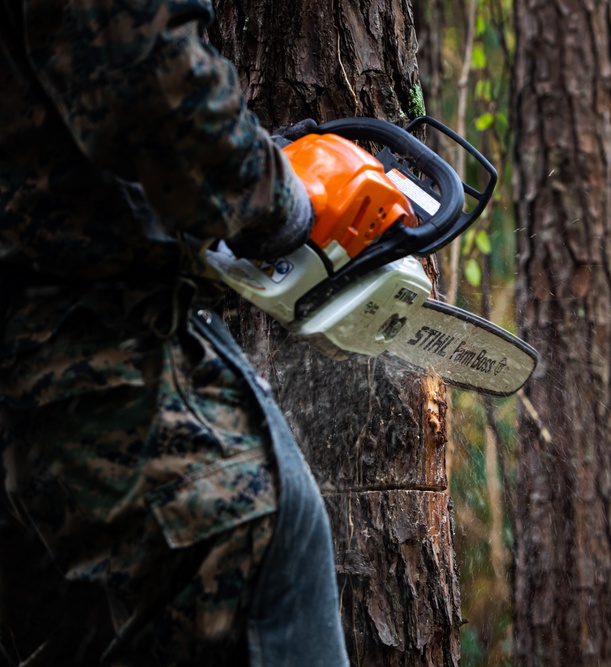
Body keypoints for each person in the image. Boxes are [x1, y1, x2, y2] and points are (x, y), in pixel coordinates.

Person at [0, 1, 350, 665]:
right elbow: (151, 78)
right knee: (266, 533)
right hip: (93, 364)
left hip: (34, 411)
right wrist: (277, 201)